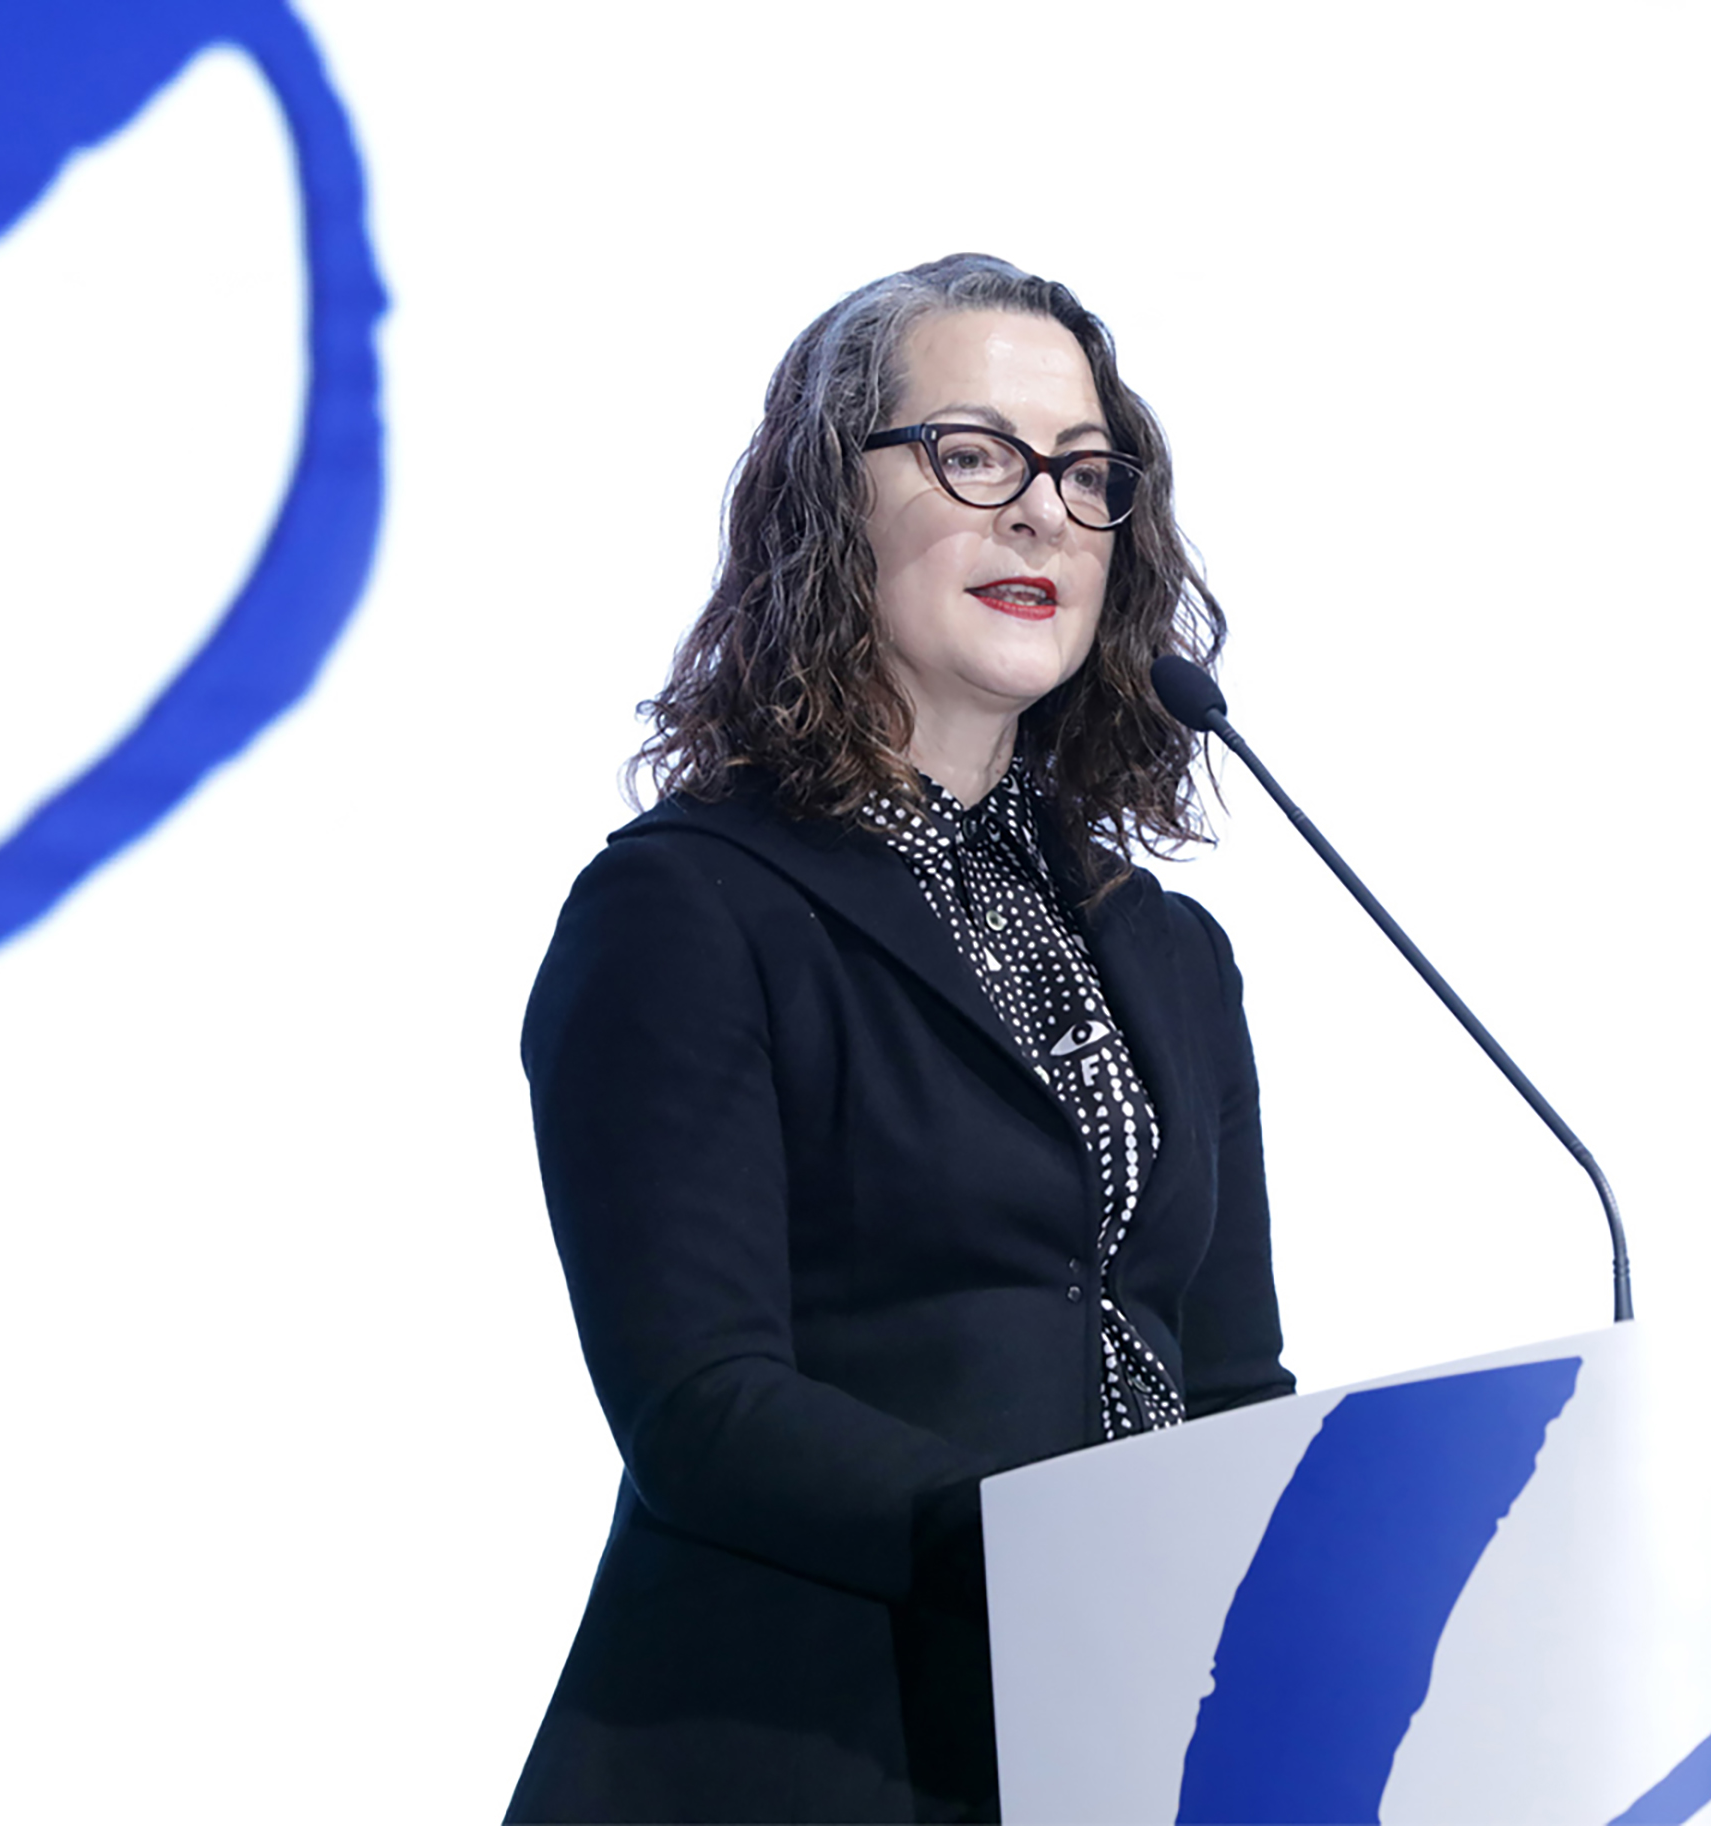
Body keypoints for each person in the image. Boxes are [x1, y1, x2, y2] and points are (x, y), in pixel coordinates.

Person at [505, 254, 1293, 1823]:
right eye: (975, 454)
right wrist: (1061, 1549)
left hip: (1117, 1754)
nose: (1043, 513)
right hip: (799, 1750)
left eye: (1086, 471)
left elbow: (1231, 1380)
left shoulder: (1168, 950)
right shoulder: (687, 908)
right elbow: (704, 1405)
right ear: (829, 503)